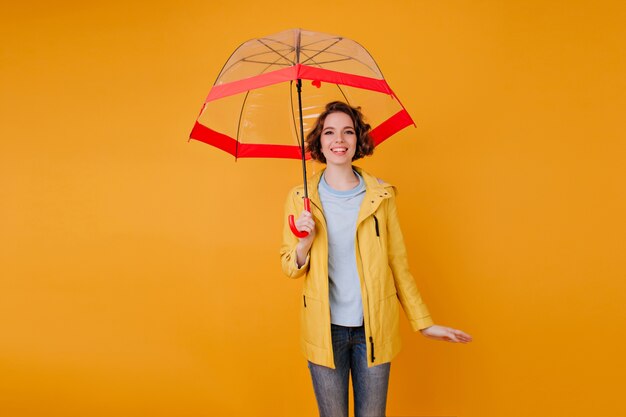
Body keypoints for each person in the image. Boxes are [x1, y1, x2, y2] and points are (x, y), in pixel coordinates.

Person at [280, 101, 472, 417]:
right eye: (329, 132)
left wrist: (424, 323)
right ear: (320, 142)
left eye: (347, 132)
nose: (338, 140)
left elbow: (397, 263)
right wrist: (305, 243)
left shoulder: (381, 195)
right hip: (323, 331)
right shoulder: (301, 198)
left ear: (358, 140)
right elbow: (289, 265)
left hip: (374, 329)